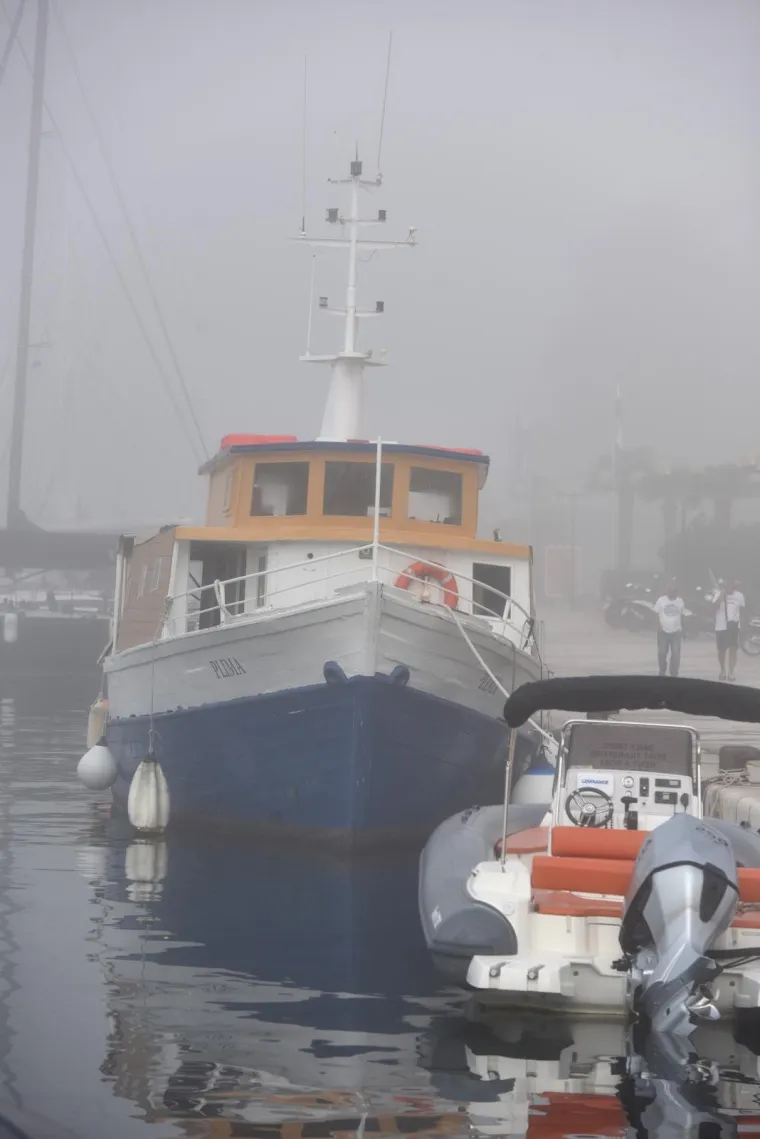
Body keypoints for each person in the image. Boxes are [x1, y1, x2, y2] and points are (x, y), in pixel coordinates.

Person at [714, 578, 745, 682]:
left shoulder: (739, 596)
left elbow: (743, 610)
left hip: (734, 625)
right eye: (727, 585)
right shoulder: (718, 594)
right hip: (721, 626)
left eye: (732, 585)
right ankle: (722, 670)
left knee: (733, 649)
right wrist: (720, 597)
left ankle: (731, 672)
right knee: (722, 650)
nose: (729, 587)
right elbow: (712, 608)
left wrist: (743, 626)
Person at [654, 581, 685, 677]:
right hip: (663, 632)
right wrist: (658, 626)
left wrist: (682, 628)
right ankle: (662, 671)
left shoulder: (680, 601)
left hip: (676, 632)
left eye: (674, 591)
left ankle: (674, 672)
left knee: (676, 654)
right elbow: (656, 613)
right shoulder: (661, 600)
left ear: (676, 592)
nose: (671, 593)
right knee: (662, 652)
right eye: (669, 590)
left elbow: (682, 615)